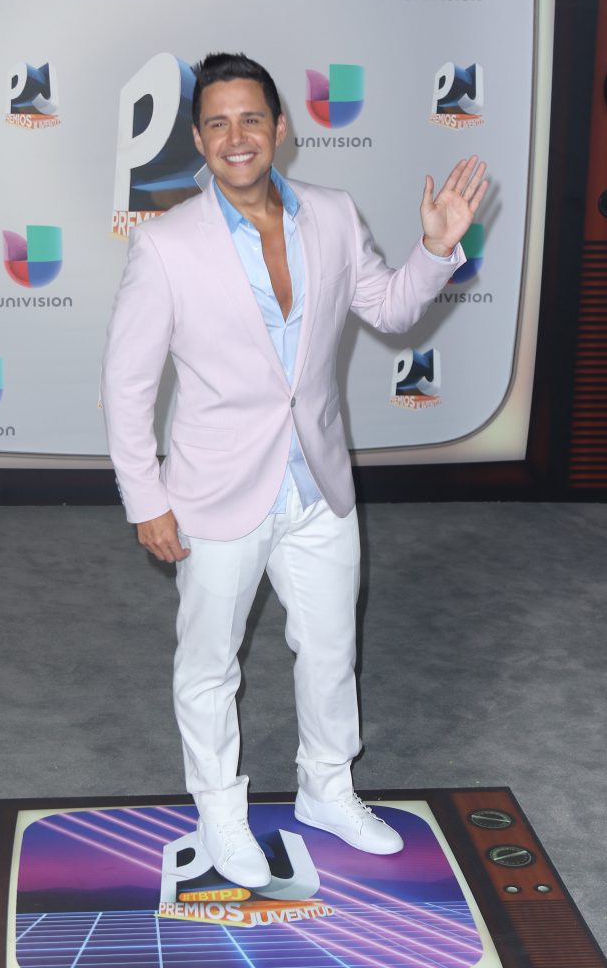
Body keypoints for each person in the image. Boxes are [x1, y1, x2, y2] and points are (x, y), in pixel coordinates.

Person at [101, 52, 487, 889]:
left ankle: (327, 788)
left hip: (318, 483)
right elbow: (127, 387)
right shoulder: (166, 247)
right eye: (216, 123)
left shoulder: (335, 216)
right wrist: (147, 501)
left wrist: (434, 250)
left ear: (280, 128)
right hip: (211, 492)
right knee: (209, 664)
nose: (235, 137)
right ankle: (221, 811)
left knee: (330, 649)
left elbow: (388, 308)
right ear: (198, 140)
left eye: (251, 119)